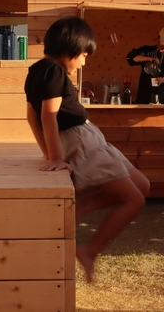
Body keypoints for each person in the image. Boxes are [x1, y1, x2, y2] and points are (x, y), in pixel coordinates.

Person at [25, 17, 150, 282]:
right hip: (82, 141)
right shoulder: (55, 71)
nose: (84, 62)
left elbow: (31, 117)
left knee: (143, 185)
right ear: (70, 48)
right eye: (83, 55)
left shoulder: (36, 70)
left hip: (87, 139)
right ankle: (90, 251)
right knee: (135, 200)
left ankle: (82, 205)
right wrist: (55, 157)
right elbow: (48, 116)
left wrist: (48, 151)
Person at [126, 26, 164, 104]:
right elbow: (130, 58)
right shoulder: (147, 50)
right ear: (159, 39)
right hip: (146, 95)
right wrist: (149, 59)